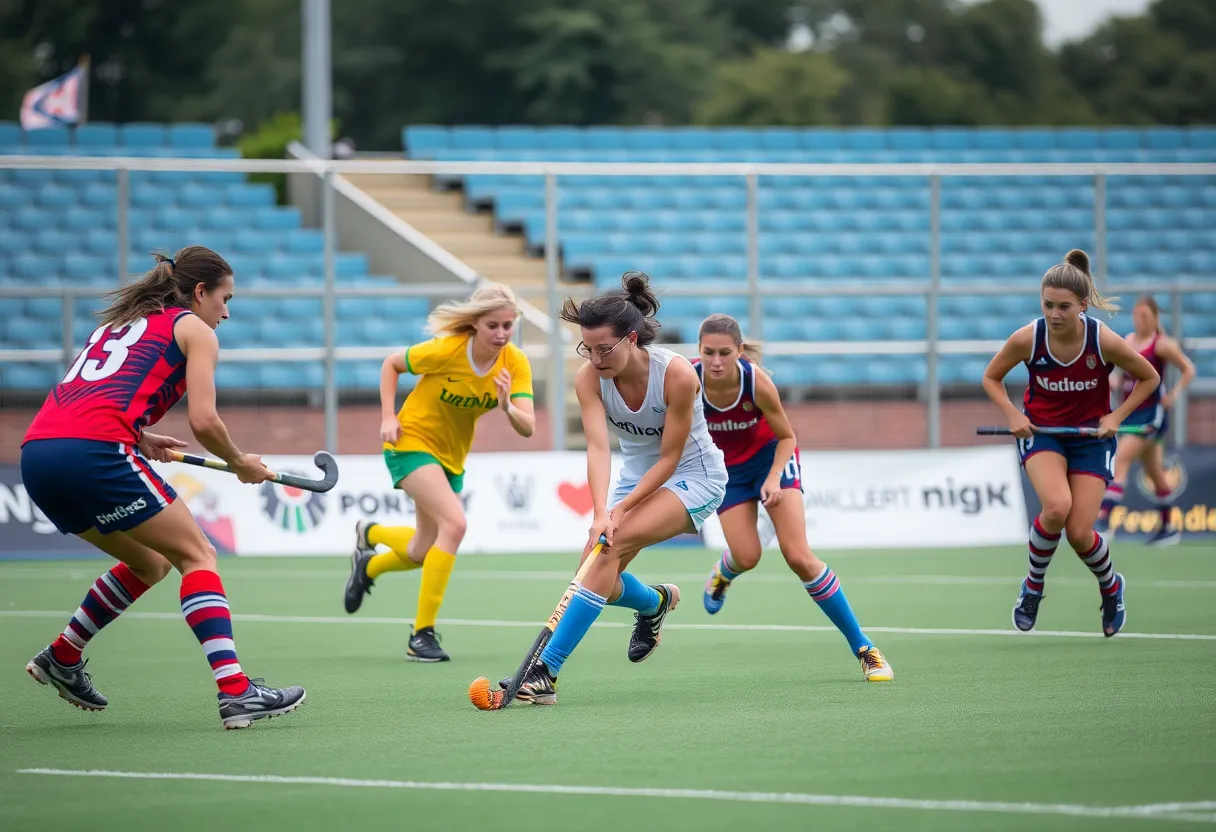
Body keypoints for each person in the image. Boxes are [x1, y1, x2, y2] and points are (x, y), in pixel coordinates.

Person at [21, 247, 306, 729]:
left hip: (39, 456)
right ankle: (237, 692)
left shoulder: (117, 325)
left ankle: (63, 655)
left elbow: (92, 396)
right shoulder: (195, 329)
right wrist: (239, 463)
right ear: (200, 293)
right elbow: (204, 421)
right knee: (198, 555)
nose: (227, 312)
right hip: (94, 453)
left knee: (148, 561)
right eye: (224, 299)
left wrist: (141, 433)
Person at [505, 271, 728, 705]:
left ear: (631, 339)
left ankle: (545, 671)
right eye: (587, 349)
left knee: (611, 548)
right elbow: (597, 448)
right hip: (636, 476)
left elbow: (668, 459)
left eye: (604, 349)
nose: (595, 358)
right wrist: (599, 513)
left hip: (695, 476)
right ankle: (654, 602)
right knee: (593, 576)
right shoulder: (590, 377)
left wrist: (621, 511)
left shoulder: (677, 376)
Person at [342, 283, 535, 662]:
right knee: (455, 525)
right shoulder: (447, 350)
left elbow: (527, 427)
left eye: (508, 326)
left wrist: (506, 406)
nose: (501, 334)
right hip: (409, 442)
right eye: (493, 325)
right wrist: (387, 416)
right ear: (475, 324)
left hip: (451, 457)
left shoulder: (515, 363)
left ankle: (370, 547)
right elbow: (391, 364)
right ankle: (422, 634)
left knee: (419, 551)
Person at [695, 314, 893, 682]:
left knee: (799, 556)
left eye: (725, 352)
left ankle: (865, 648)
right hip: (728, 473)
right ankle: (725, 572)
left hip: (773, 461)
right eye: (709, 353)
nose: (717, 361)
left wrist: (772, 479)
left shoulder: (757, 383)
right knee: (747, 556)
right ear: (699, 350)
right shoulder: (687, 381)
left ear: (740, 351)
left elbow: (788, 437)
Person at [982, 249, 1159, 638]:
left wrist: (1116, 416)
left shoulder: (1103, 339)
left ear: (1083, 304)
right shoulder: (1028, 338)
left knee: (1080, 533)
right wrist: (1014, 415)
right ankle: (1033, 585)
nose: (1054, 314)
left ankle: (1111, 586)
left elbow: (1148, 378)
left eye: (1064, 306)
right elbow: (991, 378)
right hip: (1042, 435)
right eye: (1048, 305)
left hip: (1090, 441)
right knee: (1057, 506)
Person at [1098, 294, 1195, 546]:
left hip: (1150, 415)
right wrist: (1115, 380)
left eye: (1146, 316)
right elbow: (1120, 372)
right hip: (1130, 411)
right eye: (1137, 316)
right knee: (1154, 472)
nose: (1140, 320)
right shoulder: (1128, 341)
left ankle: (1103, 521)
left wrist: (1173, 394)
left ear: (1155, 318)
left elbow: (1188, 369)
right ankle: (1169, 527)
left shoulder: (1162, 345)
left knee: (1121, 460)